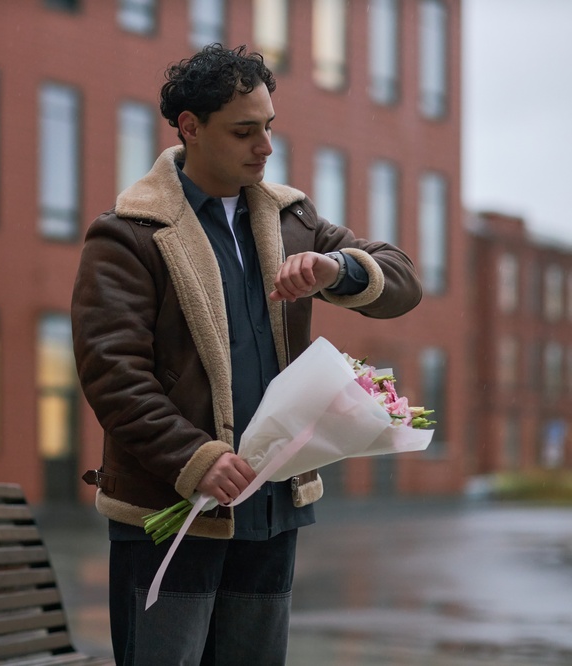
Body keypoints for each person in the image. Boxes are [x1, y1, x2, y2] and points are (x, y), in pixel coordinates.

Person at [71, 44, 423, 665]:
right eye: (244, 131)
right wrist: (194, 457)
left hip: (269, 508)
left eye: (268, 128)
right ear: (190, 128)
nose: (264, 147)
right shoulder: (129, 233)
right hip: (170, 508)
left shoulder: (293, 220)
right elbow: (112, 373)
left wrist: (337, 268)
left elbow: (402, 282)